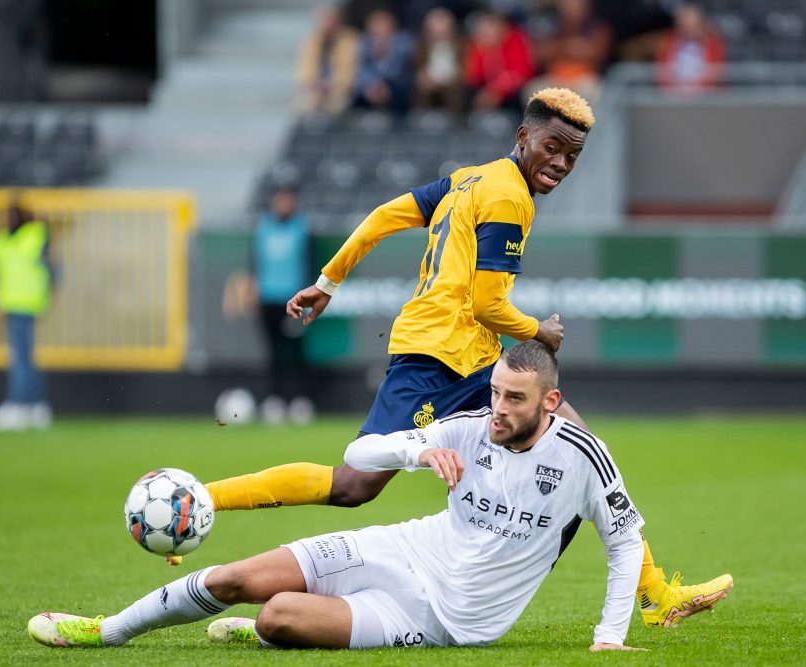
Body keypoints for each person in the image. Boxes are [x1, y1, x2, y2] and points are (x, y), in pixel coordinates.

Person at [205, 87, 732, 628]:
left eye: (572, 156)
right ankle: (205, 498)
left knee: (582, 446)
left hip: (473, 360)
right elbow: (487, 302)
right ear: (524, 137)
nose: (560, 163)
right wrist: (540, 332)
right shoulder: (509, 197)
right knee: (354, 485)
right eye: (552, 147)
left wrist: (328, 280)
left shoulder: (468, 179)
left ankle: (651, 591)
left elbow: (386, 215)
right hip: (436, 359)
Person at [28, 342, 731, 650]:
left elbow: (624, 538)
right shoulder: (468, 428)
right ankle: (107, 628)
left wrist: (610, 638)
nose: (497, 408)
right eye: (493, 392)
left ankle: (267, 631)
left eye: (513, 399)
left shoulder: (582, 456)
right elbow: (358, 456)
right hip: (401, 546)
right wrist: (415, 447)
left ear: (551, 401)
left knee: (275, 618)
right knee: (240, 577)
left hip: (442, 615)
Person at [0, 199, 53, 432]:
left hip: (26, 302)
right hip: (12, 303)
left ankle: (18, 404)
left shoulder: (32, 236)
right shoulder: (5, 239)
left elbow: (47, 257)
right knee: (25, 358)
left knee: (20, 359)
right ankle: (36, 405)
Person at [251, 186, 314, 424]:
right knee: (273, 352)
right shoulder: (264, 228)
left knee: (296, 352)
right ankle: (274, 399)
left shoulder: (301, 228)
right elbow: (255, 262)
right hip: (268, 299)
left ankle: (298, 400)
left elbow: (308, 263)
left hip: (293, 299)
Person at [526, 0, 613, 105]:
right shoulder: (551, 26)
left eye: (576, 5)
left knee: (593, 92)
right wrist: (571, 47)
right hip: (554, 78)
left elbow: (598, 53)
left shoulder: (597, 28)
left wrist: (559, 49)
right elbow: (541, 53)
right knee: (532, 90)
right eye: (566, 5)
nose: (571, 9)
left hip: (585, 79)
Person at [293, 4, 360, 118]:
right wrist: (314, 86)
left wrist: (330, 86)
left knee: (337, 104)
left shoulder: (349, 40)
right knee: (302, 104)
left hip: (338, 91)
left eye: (329, 20)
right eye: (324, 20)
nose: (327, 24)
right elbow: (303, 71)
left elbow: (349, 72)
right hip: (315, 90)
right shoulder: (311, 40)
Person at [464, 10, 536, 112]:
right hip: (487, 88)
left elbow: (522, 72)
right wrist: (485, 51)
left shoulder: (516, 41)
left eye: (491, 28)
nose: (488, 33)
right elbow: (473, 76)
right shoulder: (477, 45)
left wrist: (496, 90)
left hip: (512, 90)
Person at [351, 9, 415, 115]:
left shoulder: (404, 42)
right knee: (357, 96)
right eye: (376, 26)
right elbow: (361, 69)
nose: (380, 30)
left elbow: (397, 71)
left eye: (383, 25)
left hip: (395, 86)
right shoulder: (364, 43)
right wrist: (371, 85)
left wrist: (387, 52)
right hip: (370, 88)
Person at [655, 3, 726, 94]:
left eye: (694, 26)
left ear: (701, 25)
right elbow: (661, 72)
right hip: (672, 98)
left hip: (705, 98)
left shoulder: (713, 44)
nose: (690, 31)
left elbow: (716, 74)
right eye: (686, 27)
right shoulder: (668, 42)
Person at [413, 7, 467, 117]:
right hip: (427, 88)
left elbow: (465, 70)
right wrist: (423, 78)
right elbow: (417, 69)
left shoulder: (462, 47)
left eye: (443, 32)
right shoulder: (420, 48)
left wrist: (450, 80)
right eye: (435, 32)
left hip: (453, 87)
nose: (439, 36)